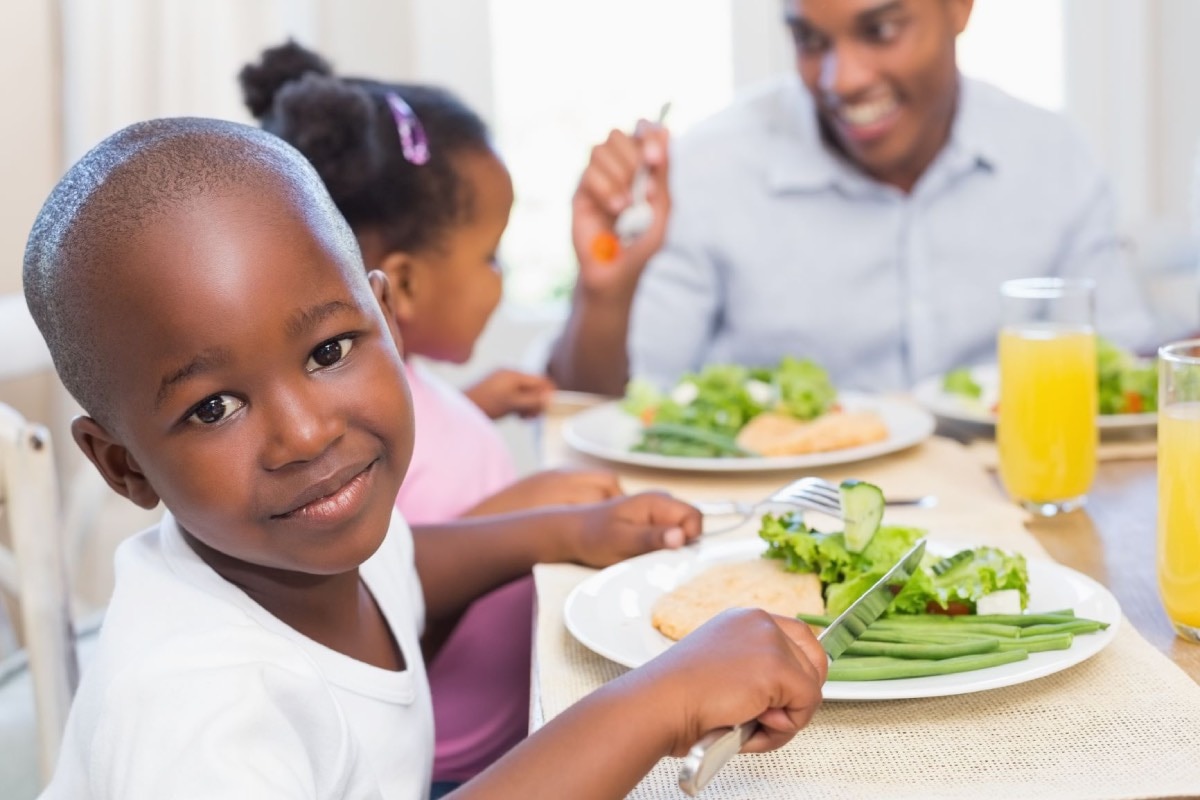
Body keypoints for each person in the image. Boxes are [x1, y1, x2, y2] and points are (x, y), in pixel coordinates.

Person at [24, 117, 827, 799]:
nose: (305, 436)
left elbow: (414, 565)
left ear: (388, 321)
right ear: (123, 467)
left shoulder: (303, 550)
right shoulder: (196, 719)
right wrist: (659, 701)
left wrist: (567, 531)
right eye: (214, 408)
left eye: (330, 349)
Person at [236, 41, 648, 794]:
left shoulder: (399, 389)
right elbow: (370, 595)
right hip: (455, 771)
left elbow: (422, 451)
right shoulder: (336, 445)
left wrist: (472, 406)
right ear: (408, 288)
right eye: (490, 257)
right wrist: (523, 514)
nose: (500, 279)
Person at [548, 0, 1156, 396]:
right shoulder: (707, 169)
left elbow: (1125, 373)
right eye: (810, 41)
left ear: (960, 9)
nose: (843, 79)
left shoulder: (1053, 155)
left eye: (881, 30)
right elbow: (599, 413)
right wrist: (603, 297)